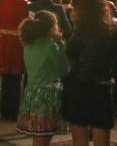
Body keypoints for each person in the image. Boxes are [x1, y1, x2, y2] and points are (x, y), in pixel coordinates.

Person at [63, 0, 117, 146]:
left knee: (79, 137)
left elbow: (69, 54)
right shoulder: (111, 29)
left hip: (79, 86)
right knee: (102, 137)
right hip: (102, 86)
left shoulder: (79, 30)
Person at [17, 11, 70, 144]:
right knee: (44, 136)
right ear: (50, 28)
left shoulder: (28, 45)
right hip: (48, 95)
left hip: (33, 93)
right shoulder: (50, 46)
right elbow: (64, 69)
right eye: (56, 25)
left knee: (40, 135)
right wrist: (62, 45)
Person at [0, 0, 30, 120]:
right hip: (18, 45)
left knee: (6, 78)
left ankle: (4, 111)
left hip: (4, 44)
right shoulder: (25, 5)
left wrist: (0, 41)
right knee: (15, 79)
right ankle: (13, 111)